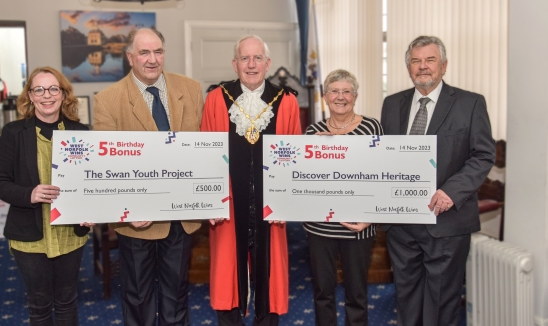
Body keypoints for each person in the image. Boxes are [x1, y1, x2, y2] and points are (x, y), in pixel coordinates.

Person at [380, 36, 495, 326]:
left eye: (429, 60)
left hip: (446, 221)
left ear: (443, 65)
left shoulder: (470, 103)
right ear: (408, 68)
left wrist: (451, 192)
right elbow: (383, 157)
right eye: (416, 61)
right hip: (402, 226)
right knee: (406, 300)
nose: (423, 67)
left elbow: (483, 155)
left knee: (442, 303)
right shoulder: (392, 104)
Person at [93, 27, 203, 326]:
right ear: (130, 57)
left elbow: (204, 152)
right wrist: (128, 207)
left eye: (158, 52)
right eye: (144, 52)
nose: (152, 59)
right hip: (137, 221)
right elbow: (107, 164)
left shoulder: (191, 90)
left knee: (176, 294)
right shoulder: (108, 100)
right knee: (138, 296)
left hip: (182, 215)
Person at [201, 35, 302, 326]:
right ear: (235, 64)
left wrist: (287, 203)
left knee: (270, 270)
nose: (251, 64)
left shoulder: (287, 102)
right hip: (229, 205)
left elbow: (293, 159)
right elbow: (207, 156)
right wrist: (210, 201)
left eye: (258, 58)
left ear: (268, 63)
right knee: (226, 270)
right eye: (245, 58)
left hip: (270, 207)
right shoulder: (216, 99)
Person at [0, 67, 90, 325]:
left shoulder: (81, 132)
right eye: (39, 89)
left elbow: (91, 182)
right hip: (29, 235)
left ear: (63, 94)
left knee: (67, 302)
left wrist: (92, 211)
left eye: (54, 88)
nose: (47, 95)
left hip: (69, 232)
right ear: (30, 96)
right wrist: (29, 194)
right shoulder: (14, 133)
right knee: (39, 305)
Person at [303, 69, 380, 326]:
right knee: (323, 291)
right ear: (325, 97)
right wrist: (310, 150)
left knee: (357, 293)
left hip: (359, 225)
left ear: (355, 96)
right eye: (334, 91)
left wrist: (371, 217)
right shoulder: (312, 132)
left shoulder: (372, 127)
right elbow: (301, 179)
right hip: (319, 226)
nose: (340, 97)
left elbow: (382, 174)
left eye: (346, 91)